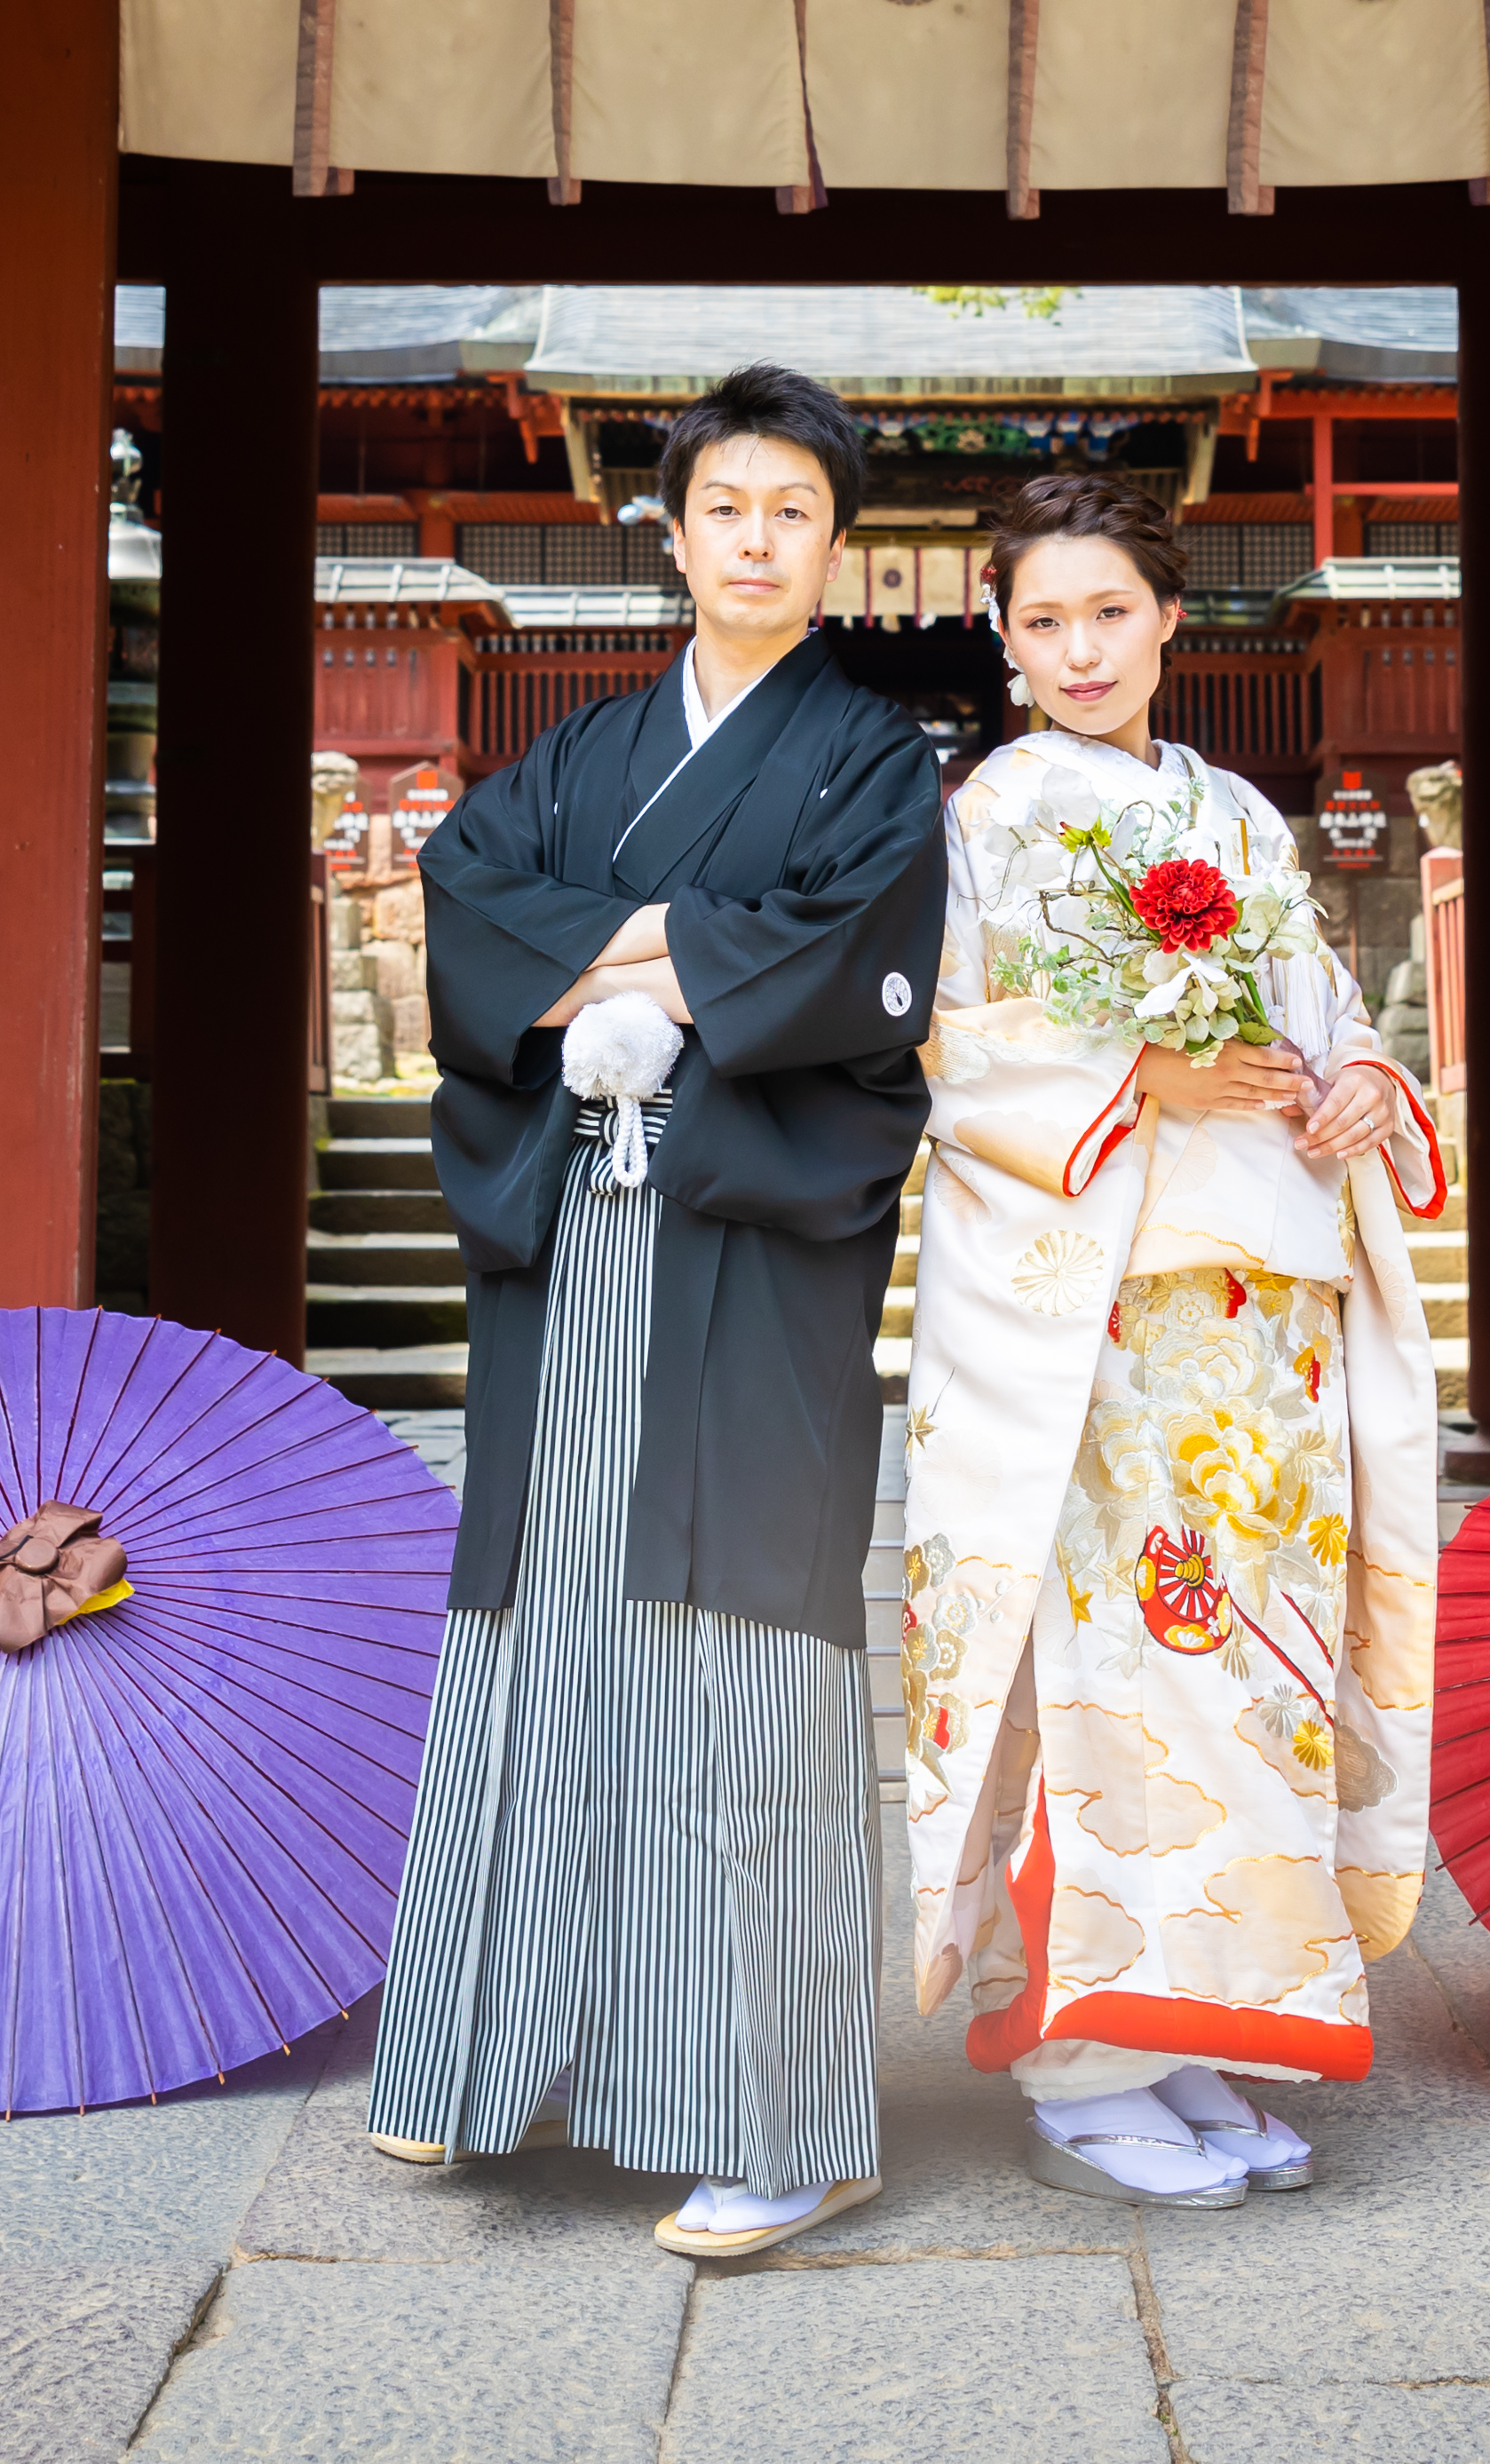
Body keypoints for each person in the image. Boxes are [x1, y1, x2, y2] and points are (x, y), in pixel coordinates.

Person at [363, 363, 947, 2262]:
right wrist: (687, 952)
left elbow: (857, 959)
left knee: (742, 1650)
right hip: (575, 1238)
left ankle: (781, 2116)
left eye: (795, 509)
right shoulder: (583, 748)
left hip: (748, 1244)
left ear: (833, 544)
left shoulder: (870, 757)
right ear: (675, 529)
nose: (758, 538)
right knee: (551, 1628)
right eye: (728, 507)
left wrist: (618, 951)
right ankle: (512, 2053)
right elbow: (467, 896)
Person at [893, 468, 1446, 2212]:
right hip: (1109, 1310)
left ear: (1169, 619)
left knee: (1252, 1680)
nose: (1075, 647)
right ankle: (1083, 2054)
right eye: (1040, 618)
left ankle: (1192, 2016)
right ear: (1002, 631)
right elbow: (948, 1049)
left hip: (1268, 1306)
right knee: (1118, 1669)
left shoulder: (1234, 810)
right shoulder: (986, 816)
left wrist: (1362, 1073)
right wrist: (1140, 1079)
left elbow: (1324, 1004)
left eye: (1107, 612)